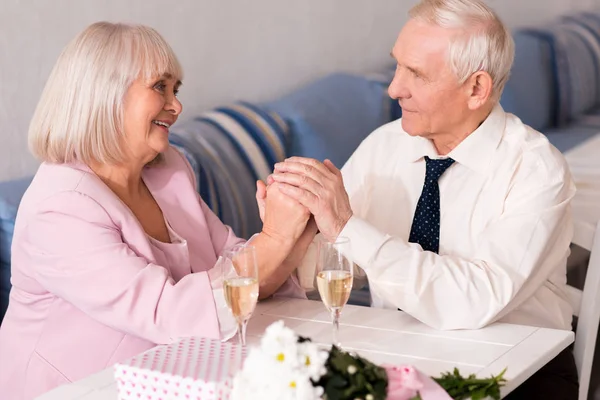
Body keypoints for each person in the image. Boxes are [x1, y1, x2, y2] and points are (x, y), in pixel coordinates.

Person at [269, 0, 578, 398]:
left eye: (415, 74)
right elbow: (332, 262)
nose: (395, 88)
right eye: (397, 65)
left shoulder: (536, 169)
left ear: (476, 89)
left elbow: (472, 301)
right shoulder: (386, 145)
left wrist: (347, 226)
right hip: (402, 359)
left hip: (518, 371)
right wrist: (287, 234)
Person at [0, 22, 316, 399]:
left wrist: (296, 233)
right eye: (160, 87)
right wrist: (275, 238)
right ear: (105, 93)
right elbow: (168, 313)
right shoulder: (61, 208)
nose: (177, 105)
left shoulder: (169, 169)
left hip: (167, 379)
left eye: (175, 89)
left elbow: (231, 259)